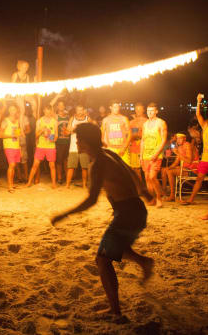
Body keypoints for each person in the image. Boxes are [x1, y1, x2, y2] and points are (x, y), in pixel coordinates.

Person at [51, 123, 154, 320]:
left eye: (79, 139)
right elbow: (131, 172)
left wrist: (65, 214)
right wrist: (144, 192)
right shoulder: (109, 153)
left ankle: (115, 311)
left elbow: (91, 200)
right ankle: (144, 262)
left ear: (87, 141)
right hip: (135, 211)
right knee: (117, 246)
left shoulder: (98, 164)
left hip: (128, 214)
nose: (77, 142)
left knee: (102, 260)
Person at [140, 103, 167, 208]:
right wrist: (141, 156)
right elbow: (142, 140)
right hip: (146, 154)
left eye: (152, 110)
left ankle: (159, 198)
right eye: (148, 111)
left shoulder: (161, 123)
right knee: (147, 178)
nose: (149, 113)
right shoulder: (145, 124)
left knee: (153, 177)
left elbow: (164, 140)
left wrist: (156, 153)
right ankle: (152, 198)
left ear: (156, 111)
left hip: (156, 154)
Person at [26, 105, 58, 189]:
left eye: (50, 111)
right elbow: (36, 135)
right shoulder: (39, 121)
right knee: (35, 164)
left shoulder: (54, 121)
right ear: (44, 111)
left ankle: (54, 184)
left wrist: (51, 138)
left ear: (51, 111)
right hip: (41, 146)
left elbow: (56, 136)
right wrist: (42, 131)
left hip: (51, 146)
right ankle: (29, 182)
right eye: (47, 111)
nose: (48, 113)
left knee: (52, 165)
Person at [162, 133, 197, 202]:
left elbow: (189, 161)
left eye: (180, 138)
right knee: (165, 170)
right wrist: (169, 167)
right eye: (177, 138)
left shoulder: (187, 145)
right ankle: (165, 192)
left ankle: (172, 195)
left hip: (193, 170)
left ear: (185, 138)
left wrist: (177, 153)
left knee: (170, 172)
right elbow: (176, 162)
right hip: (185, 169)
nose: (178, 140)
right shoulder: (180, 147)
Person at [66, 105, 91, 189]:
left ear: (84, 110)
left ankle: (84, 185)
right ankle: (67, 185)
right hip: (73, 146)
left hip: (84, 147)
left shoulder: (87, 119)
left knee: (84, 167)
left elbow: (92, 131)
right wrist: (75, 129)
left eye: (81, 110)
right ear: (76, 111)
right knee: (71, 166)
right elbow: (68, 131)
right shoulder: (72, 119)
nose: (79, 112)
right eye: (78, 110)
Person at [101, 101, 131, 168]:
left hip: (122, 149)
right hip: (111, 149)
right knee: (112, 170)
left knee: (126, 170)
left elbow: (129, 134)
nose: (116, 109)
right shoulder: (105, 120)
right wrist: (106, 149)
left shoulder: (124, 119)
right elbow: (102, 137)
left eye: (118, 107)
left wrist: (124, 147)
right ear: (110, 108)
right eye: (114, 107)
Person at [0, 104, 22, 192]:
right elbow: (1, 135)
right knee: (12, 165)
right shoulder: (5, 121)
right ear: (9, 111)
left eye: (14, 109)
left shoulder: (17, 121)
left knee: (14, 166)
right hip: (8, 146)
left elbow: (17, 135)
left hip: (16, 146)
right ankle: (9, 186)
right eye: (11, 109)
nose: (13, 111)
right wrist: (10, 135)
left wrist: (19, 147)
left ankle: (12, 184)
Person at [54, 100, 71, 184]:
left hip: (67, 141)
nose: (61, 106)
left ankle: (67, 177)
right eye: (59, 105)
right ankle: (59, 178)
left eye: (62, 105)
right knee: (59, 160)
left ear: (64, 106)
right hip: (59, 141)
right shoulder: (56, 116)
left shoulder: (68, 117)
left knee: (66, 160)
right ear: (57, 107)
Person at [129, 103, 147, 180]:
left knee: (144, 170)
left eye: (140, 109)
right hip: (133, 148)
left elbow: (145, 135)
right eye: (137, 109)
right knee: (133, 169)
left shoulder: (146, 121)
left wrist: (135, 136)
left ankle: (143, 189)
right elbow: (128, 135)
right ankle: (137, 188)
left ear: (143, 110)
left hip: (143, 148)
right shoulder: (131, 122)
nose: (138, 111)